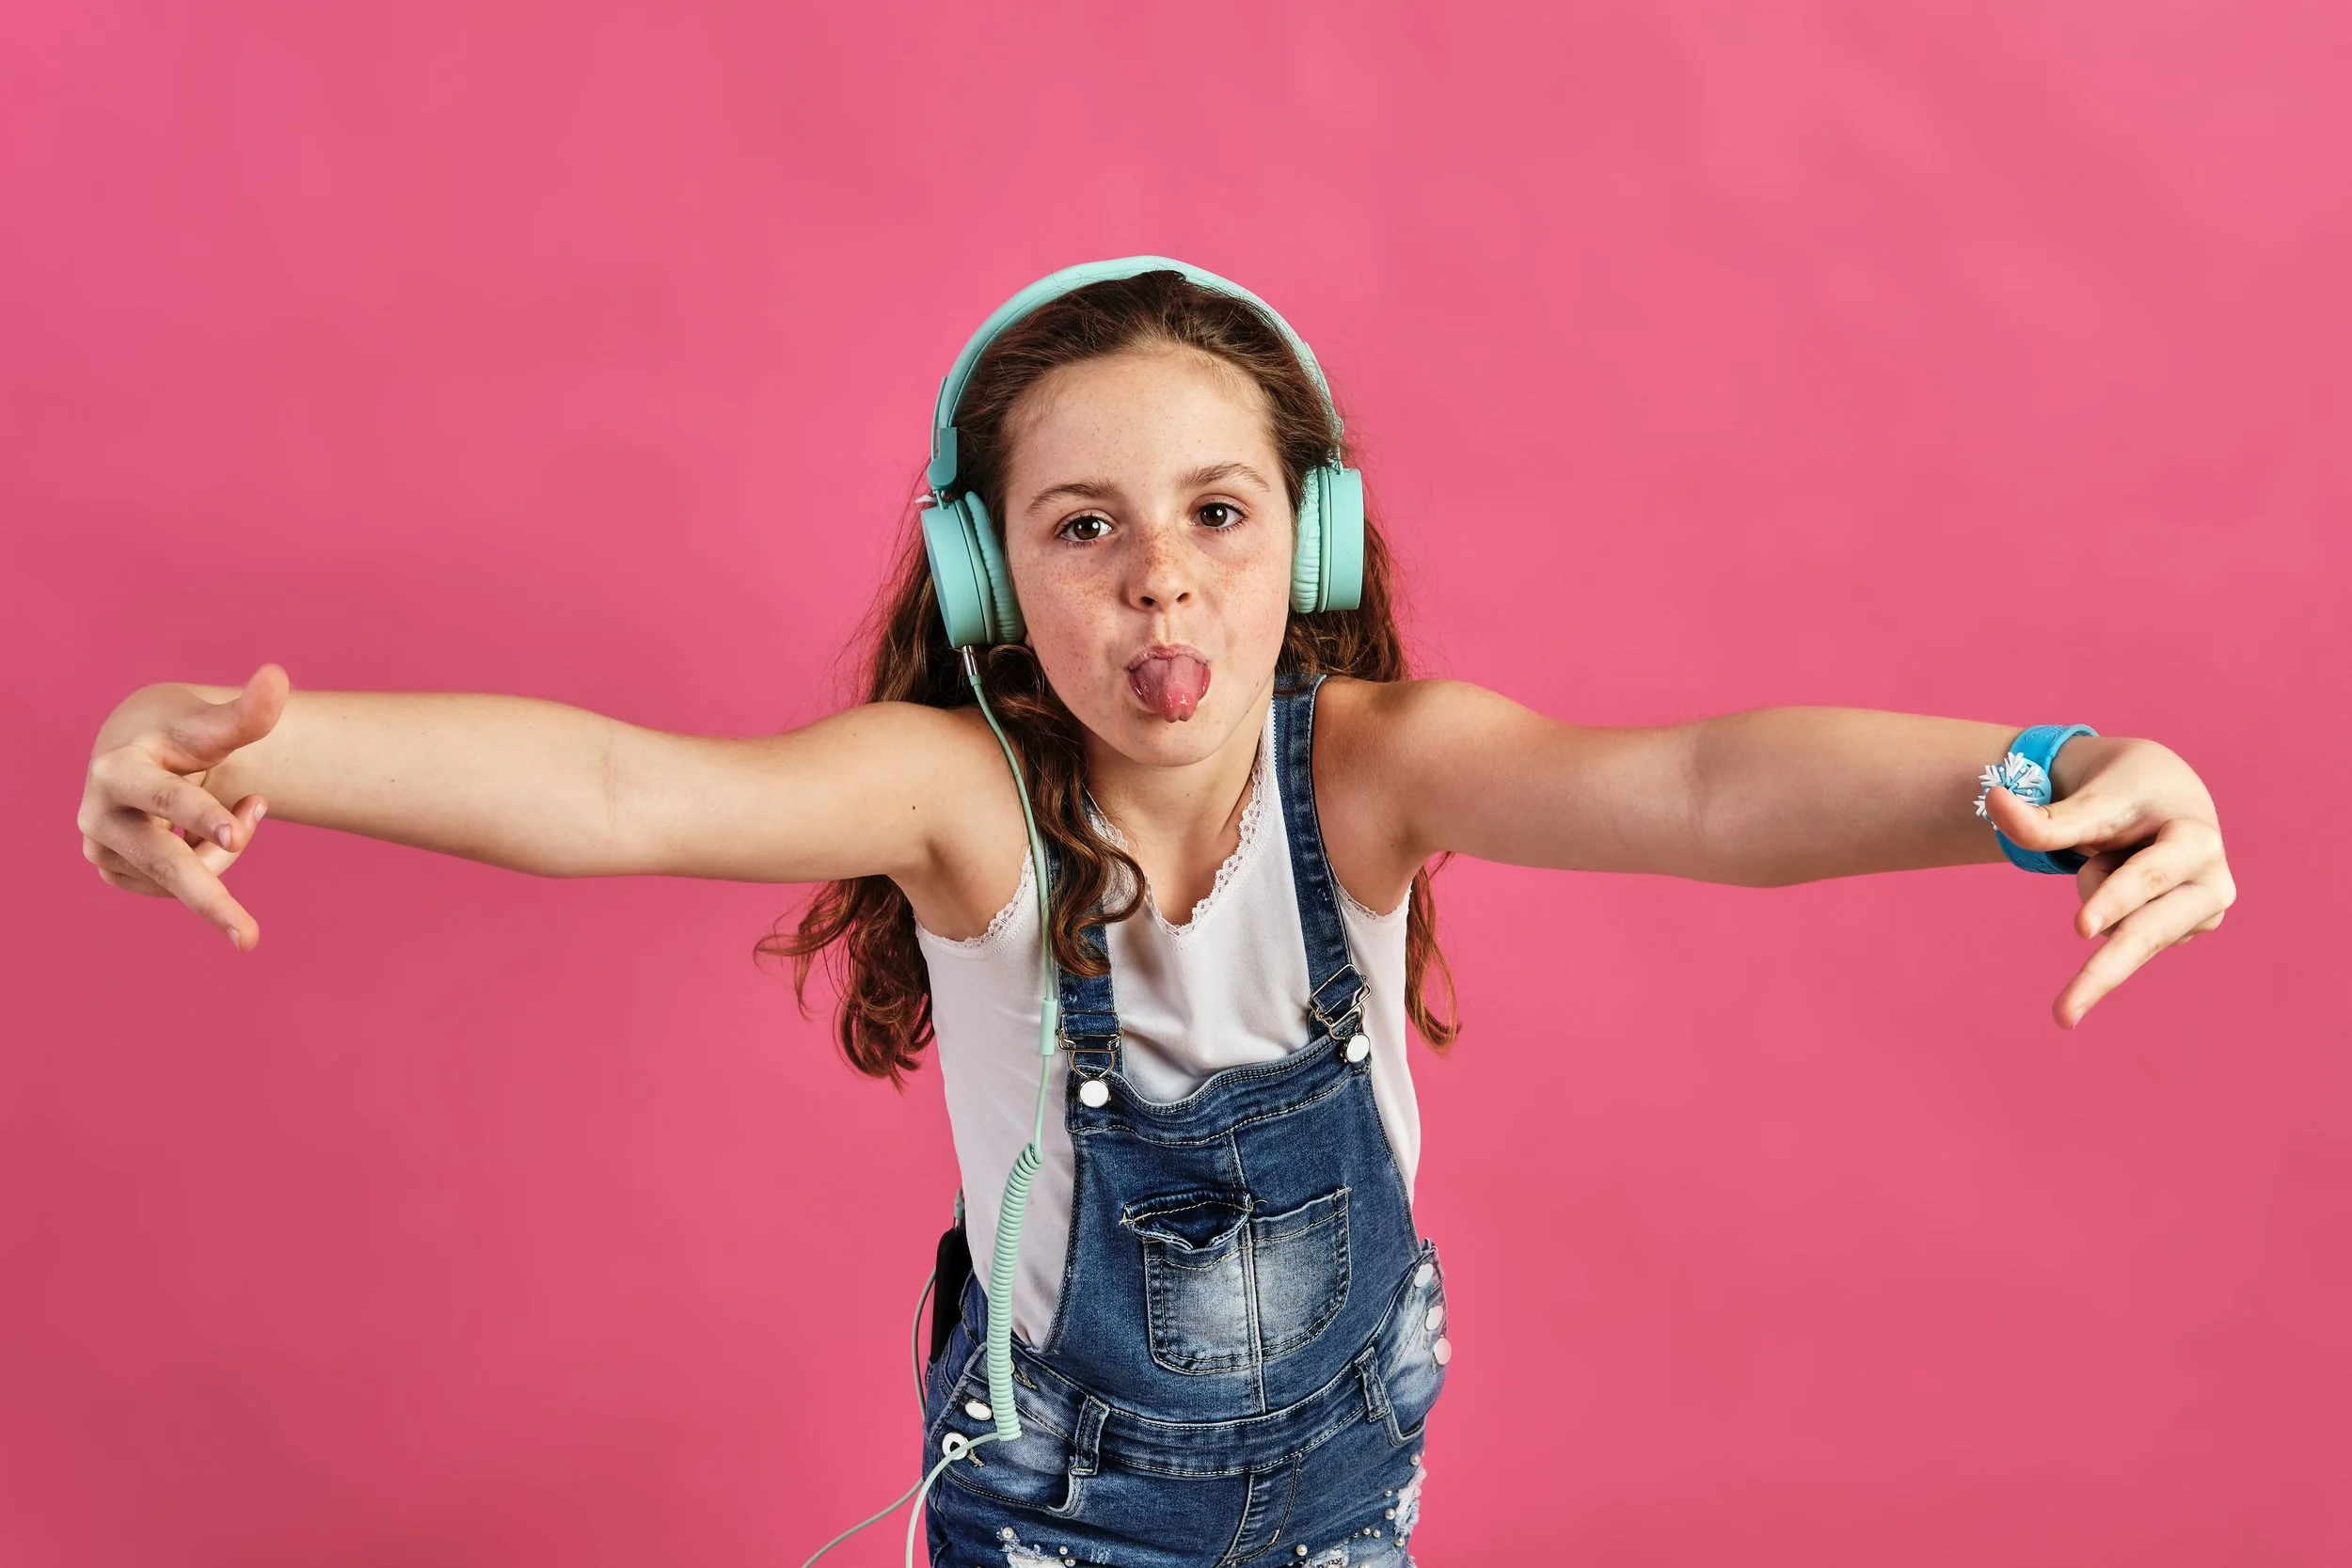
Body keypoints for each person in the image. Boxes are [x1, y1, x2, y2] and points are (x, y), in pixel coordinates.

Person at [74, 263, 2235, 1567]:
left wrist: (2024, 777)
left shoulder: (1377, 764)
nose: (1158, 578)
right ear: (986, 581)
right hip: (1061, 1514)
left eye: (1211, 512)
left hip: (1345, 1474)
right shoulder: (966, 806)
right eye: (1080, 526)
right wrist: (265, 744)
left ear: (1302, 536)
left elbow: (1688, 781)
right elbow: (634, 791)